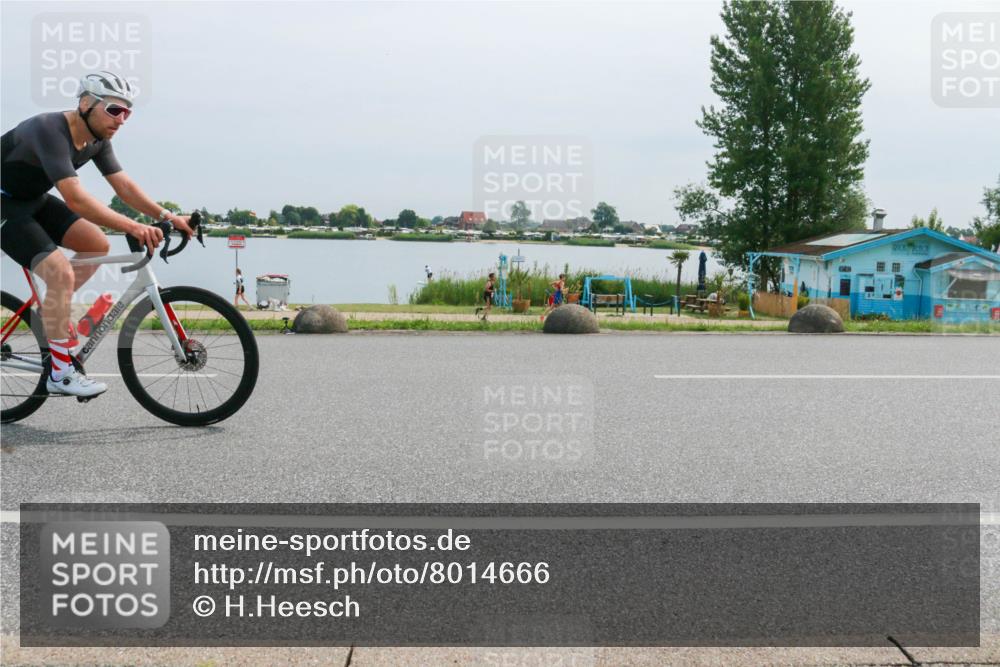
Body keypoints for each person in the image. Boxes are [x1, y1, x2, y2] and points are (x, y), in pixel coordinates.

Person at [1, 71, 193, 397]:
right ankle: (60, 375)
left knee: (96, 244)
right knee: (60, 274)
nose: (121, 119)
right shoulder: (49, 130)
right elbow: (76, 199)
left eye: (127, 112)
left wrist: (168, 217)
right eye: (114, 110)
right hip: (3, 204)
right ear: (86, 103)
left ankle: (52, 316)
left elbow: (124, 186)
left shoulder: (98, 141)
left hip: (31, 199)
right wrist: (133, 226)